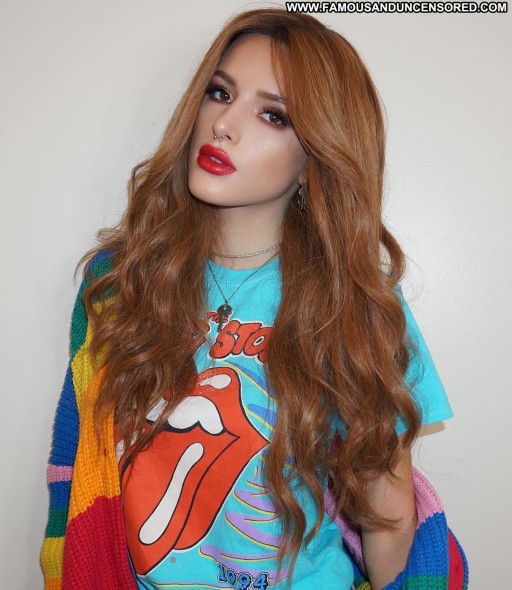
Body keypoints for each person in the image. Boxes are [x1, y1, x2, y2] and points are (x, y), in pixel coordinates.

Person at [40, 8, 461, 590]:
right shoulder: (123, 285)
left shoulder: (354, 312)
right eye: (220, 93)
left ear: (315, 159)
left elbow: (389, 529)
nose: (223, 124)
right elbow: (79, 479)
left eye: (272, 114)